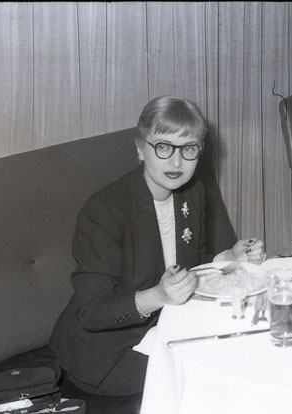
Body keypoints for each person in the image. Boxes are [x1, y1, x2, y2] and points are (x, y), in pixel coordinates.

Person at [48, 97, 264, 398]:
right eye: (163, 147)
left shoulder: (192, 193)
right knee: (217, 378)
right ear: (140, 148)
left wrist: (227, 257)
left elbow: (187, 265)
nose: (176, 163)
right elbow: (90, 312)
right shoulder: (105, 211)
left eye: (188, 149)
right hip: (106, 354)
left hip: (165, 327)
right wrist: (159, 296)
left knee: (248, 346)